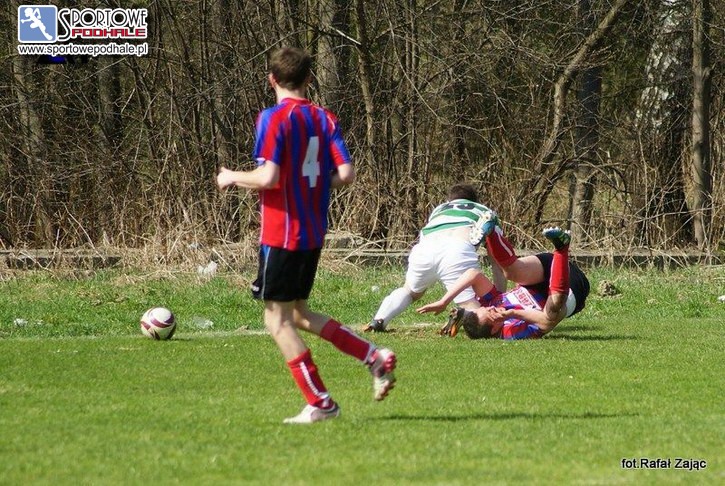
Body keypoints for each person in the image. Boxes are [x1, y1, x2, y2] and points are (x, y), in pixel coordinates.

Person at [216, 47, 396, 424]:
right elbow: (346, 174)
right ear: (309, 79)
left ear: (272, 80)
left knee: (277, 321)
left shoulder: (273, 118)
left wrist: (232, 176)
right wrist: (311, 185)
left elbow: (269, 178)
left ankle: (321, 402)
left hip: (282, 233)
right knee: (299, 314)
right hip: (313, 232)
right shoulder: (324, 118)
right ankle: (373, 356)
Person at [366, 184, 506, 332]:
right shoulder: (486, 212)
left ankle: (379, 319)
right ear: (475, 201)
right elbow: (496, 262)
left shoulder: (439, 209)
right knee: (468, 302)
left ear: (450, 200)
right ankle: (467, 314)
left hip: (424, 249)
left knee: (410, 291)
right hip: (458, 250)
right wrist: (499, 301)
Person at [417, 220, 590, 340]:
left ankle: (491, 232)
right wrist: (513, 313)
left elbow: (473, 274)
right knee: (552, 312)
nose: (491, 307)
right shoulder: (509, 332)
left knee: (512, 274)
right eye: (490, 313)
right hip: (571, 287)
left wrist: (444, 301)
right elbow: (546, 324)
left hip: (543, 270)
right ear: (494, 328)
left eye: (485, 308)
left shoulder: (490, 303)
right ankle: (561, 247)